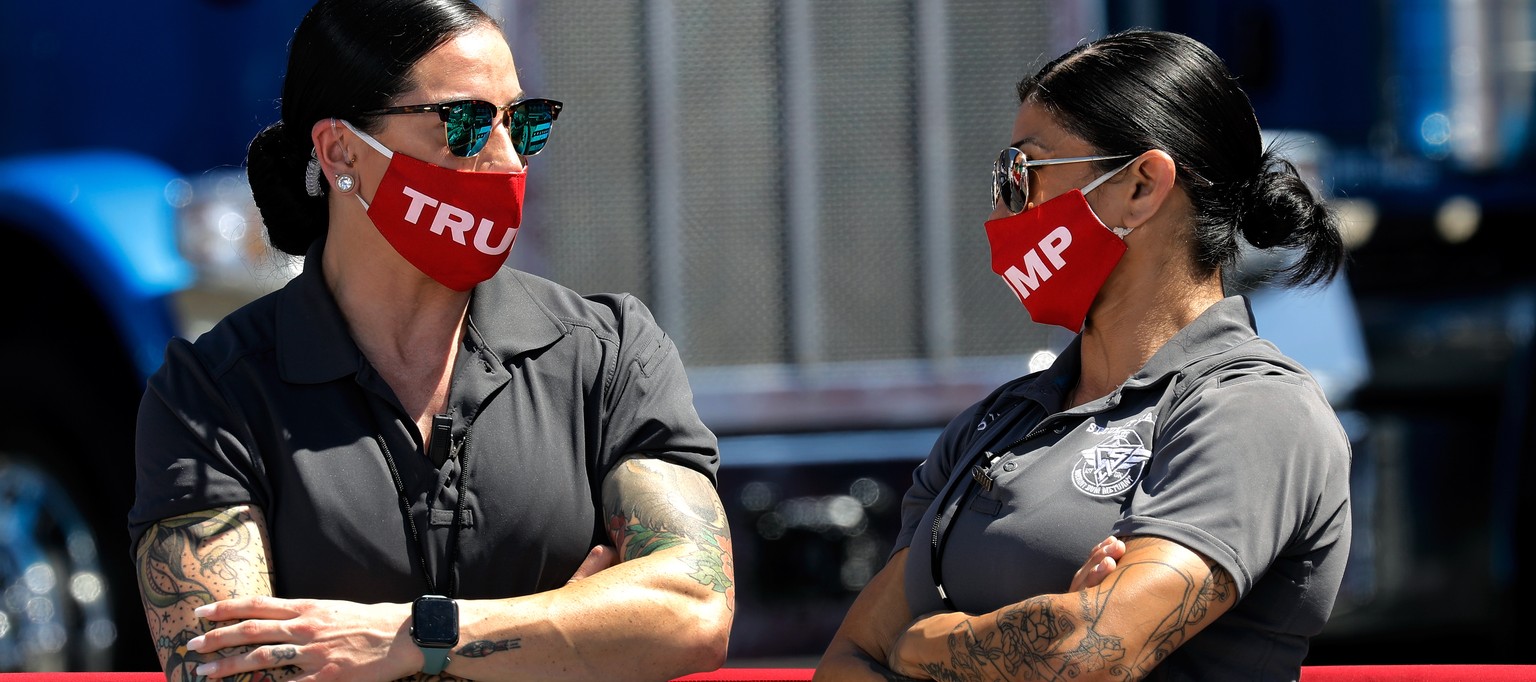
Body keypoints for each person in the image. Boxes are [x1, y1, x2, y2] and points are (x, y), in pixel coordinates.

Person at [128, 1, 733, 680]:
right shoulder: (211, 394)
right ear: (341, 152)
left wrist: (415, 638)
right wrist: (568, 627)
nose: (505, 158)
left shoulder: (610, 353)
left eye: (523, 124)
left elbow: (693, 610)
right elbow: (228, 668)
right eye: (466, 124)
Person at [816, 29, 1351, 681]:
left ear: (1141, 186)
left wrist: (925, 646)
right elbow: (849, 659)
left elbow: (1091, 651)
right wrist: (1024, 635)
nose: (1000, 209)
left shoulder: (1254, 409)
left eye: (1021, 174)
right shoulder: (997, 423)